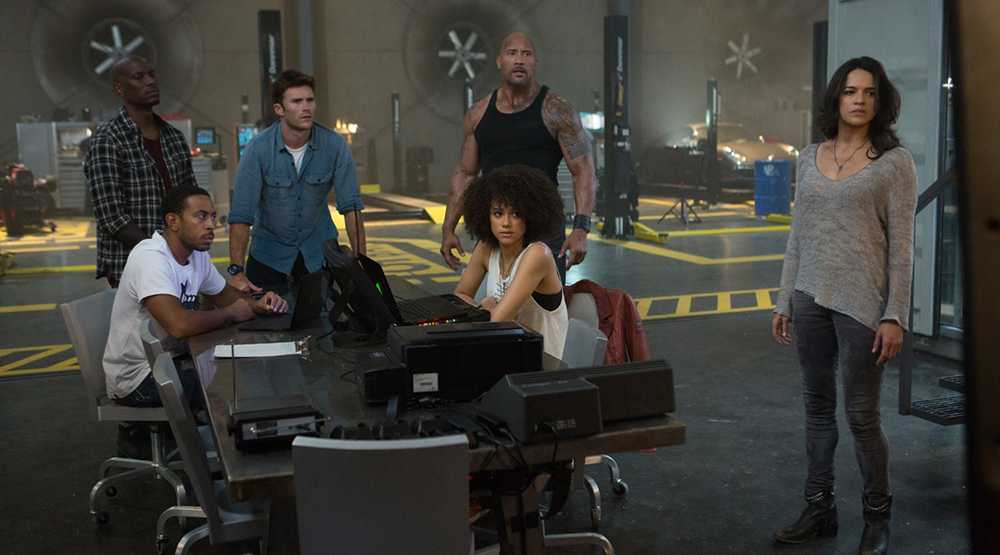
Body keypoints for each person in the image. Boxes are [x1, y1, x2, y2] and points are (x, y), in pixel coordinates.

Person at [772, 56, 917, 555]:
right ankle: (820, 508)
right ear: (836, 97)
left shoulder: (894, 163)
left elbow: (902, 247)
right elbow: (798, 235)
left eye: (870, 92)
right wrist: (784, 299)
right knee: (817, 409)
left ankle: (877, 517)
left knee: (861, 416)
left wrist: (895, 314)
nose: (860, 100)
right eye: (852, 91)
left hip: (861, 305)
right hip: (809, 295)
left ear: (881, 101)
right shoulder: (810, 156)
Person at [103, 185, 287, 454]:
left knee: (245, 371)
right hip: (137, 378)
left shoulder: (197, 256)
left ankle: (234, 447)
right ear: (173, 221)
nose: (211, 225)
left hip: (172, 361)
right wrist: (232, 313)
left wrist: (260, 304)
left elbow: (228, 298)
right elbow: (179, 326)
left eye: (212, 217)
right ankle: (222, 463)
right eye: (201, 217)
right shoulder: (151, 258)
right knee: (232, 385)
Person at [440, 32, 596, 284]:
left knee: (542, 305)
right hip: (497, 227)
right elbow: (466, 174)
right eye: (512, 53)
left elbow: (584, 171)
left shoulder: (557, 111)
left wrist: (581, 228)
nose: (519, 60)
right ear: (499, 61)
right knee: (491, 302)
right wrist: (448, 228)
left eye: (527, 54)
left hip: (543, 228)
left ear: (535, 62)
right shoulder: (477, 114)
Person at [228, 69, 366, 293]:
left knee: (324, 313)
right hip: (268, 257)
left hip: (318, 255)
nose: (306, 107)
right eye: (297, 101)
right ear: (279, 109)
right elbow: (241, 216)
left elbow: (352, 208)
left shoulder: (334, 146)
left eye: (310, 100)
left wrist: (361, 264)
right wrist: (236, 271)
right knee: (263, 315)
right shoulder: (258, 149)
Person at [86, 55, 195, 288]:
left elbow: (191, 200)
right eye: (139, 77)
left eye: (151, 75)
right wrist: (162, 254)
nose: (150, 81)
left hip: (180, 263)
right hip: (132, 266)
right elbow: (113, 217)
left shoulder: (174, 138)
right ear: (120, 88)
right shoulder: (108, 139)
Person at [453, 165, 568, 359]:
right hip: (503, 353)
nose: (506, 223)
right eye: (498, 214)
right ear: (486, 216)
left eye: (516, 214)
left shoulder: (538, 255)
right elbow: (459, 297)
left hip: (540, 365)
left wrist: (487, 306)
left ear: (530, 216)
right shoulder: (485, 248)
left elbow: (498, 322)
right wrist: (485, 307)